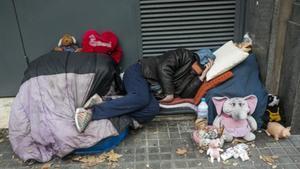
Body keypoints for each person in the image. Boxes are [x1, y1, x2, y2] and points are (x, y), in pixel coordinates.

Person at [75, 48, 213, 132]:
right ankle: (91, 112)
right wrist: (169, 93)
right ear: (200, 57)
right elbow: (163, 67)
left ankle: (105, 101)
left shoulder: (193, 75)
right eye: (203, 63)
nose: (201, 67)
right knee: (141, 98)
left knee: (152, 109)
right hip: (139, 72)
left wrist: (200, 77)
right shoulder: (184, 55)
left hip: (147, 89)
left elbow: (185, 93)